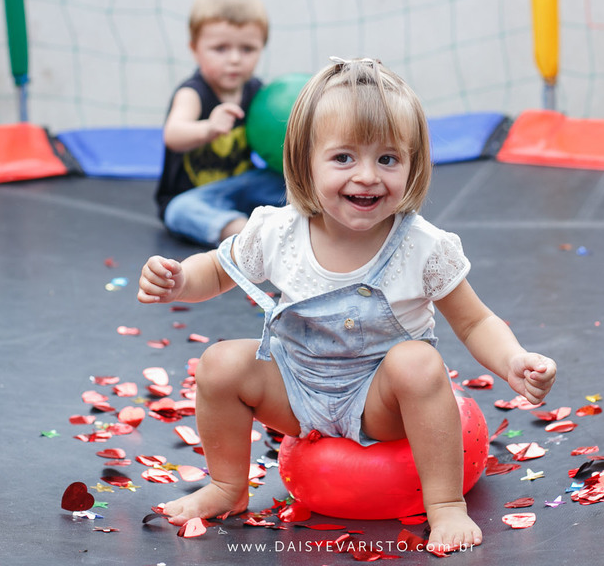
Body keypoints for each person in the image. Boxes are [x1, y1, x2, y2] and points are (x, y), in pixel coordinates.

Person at [137, 58, 557, 553]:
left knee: (417, 362)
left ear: (413, 164)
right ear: (303, 161)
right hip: (296, 390)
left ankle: (444, 505)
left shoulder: (422, 246)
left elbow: (475, 320)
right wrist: (180, 279)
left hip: (379, 403)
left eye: (387, 159)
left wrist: (512, 361)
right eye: (343, 159)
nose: (367, 176)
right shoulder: (279, 231)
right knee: (220, 363)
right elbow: (214, 271)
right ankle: (228, 487)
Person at [156, 0, 286, 246]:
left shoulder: (258, 92)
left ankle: (311, 220)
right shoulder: (192, 93)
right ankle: (246, 233)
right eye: (221, 49)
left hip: (243, 185)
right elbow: (173, 135)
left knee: (290, 181)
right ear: (195, 49)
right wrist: (208, 128)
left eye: (247, 49)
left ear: (262, 47)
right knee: (179, 212)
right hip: (195, 196)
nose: (235, 59)